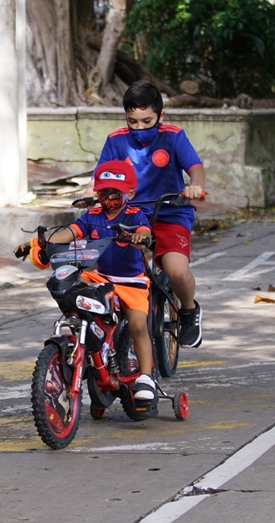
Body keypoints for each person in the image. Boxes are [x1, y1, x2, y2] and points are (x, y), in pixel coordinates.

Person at [16, 160, 159, 403]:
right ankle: (85, 338)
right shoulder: (92, 215)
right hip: (100, 277)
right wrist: (39, 244)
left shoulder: (135, 214)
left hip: (130, 281)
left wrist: (140, 237)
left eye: (115, 192)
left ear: (130, 193)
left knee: (137, 326)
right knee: (70, 284)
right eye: (104, 192)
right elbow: (70, 232)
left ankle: (146, 377)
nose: (109, 197)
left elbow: (145, 232)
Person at [93, 80, 206, 348]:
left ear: (160, 116)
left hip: (170, 213)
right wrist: (92, 195)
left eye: (147, 121)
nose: (140, 128)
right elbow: (100, 175)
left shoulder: (173, 135)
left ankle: (189, 312)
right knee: (109, 269)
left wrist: (195, 186)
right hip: (129, 215)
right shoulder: (116, 140)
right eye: (133, 121)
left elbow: (196, 167)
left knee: (177, 272)